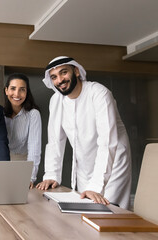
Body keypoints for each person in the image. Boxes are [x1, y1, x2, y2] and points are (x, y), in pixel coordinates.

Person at [36, 56, 132, 209]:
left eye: (63, 73)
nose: (60, 80)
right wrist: (51, 175)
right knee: (84, 212)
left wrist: (96, 185)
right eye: (54, 77)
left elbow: (107, 142)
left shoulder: (99, 93)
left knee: (109, 211)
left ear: (76, 71)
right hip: (84, 166)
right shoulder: (56, 100)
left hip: (113, 163)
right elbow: (55, 141)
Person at [3, 73, 42, 189]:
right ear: (6, 90)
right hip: (0, 164)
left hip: (22, 166)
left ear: (27, 92)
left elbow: (34, 148)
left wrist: (30, 177)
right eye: (13, 89)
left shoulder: (33, 114)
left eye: (22, 90)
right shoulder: (0, 114)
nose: (17, 94)